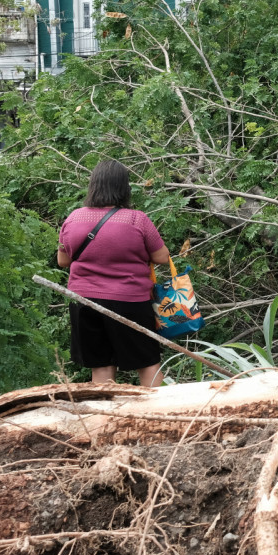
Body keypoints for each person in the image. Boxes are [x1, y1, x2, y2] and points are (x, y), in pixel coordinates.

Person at [57, 160, 170, 387]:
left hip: (84, 300)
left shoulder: (74, 218)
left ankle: (107, 417)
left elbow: (62, 260)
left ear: (93, 185)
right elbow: (162, 257)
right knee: (147, 362)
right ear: (124, 187)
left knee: (102, 364)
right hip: (129, 301)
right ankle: (160, 417)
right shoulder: (136, 219)